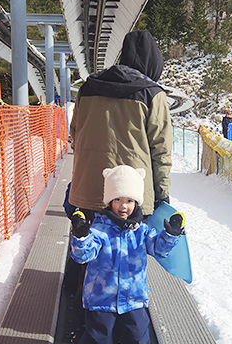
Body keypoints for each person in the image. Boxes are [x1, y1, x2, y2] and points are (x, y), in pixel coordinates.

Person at [69, 165, 184, 344]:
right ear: (109, 201)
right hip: (102, 296)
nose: (124, 206)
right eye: (118, 199)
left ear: (137, 203)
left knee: (138, 332)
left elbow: (158, 249)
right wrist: (81, 236)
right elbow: (82, 256)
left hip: (134, 297)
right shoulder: (99, 231)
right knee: (99, 335)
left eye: (129, 200)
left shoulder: (141, 231)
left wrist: (170, 235)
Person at [69, 29, 173, 217]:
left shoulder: (87, 89)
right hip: (131, 198)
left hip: (88, 191)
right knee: (132, 246)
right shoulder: (152, 95)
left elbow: (75, 134)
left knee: (88, 244)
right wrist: (162, 194)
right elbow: (161, 151)